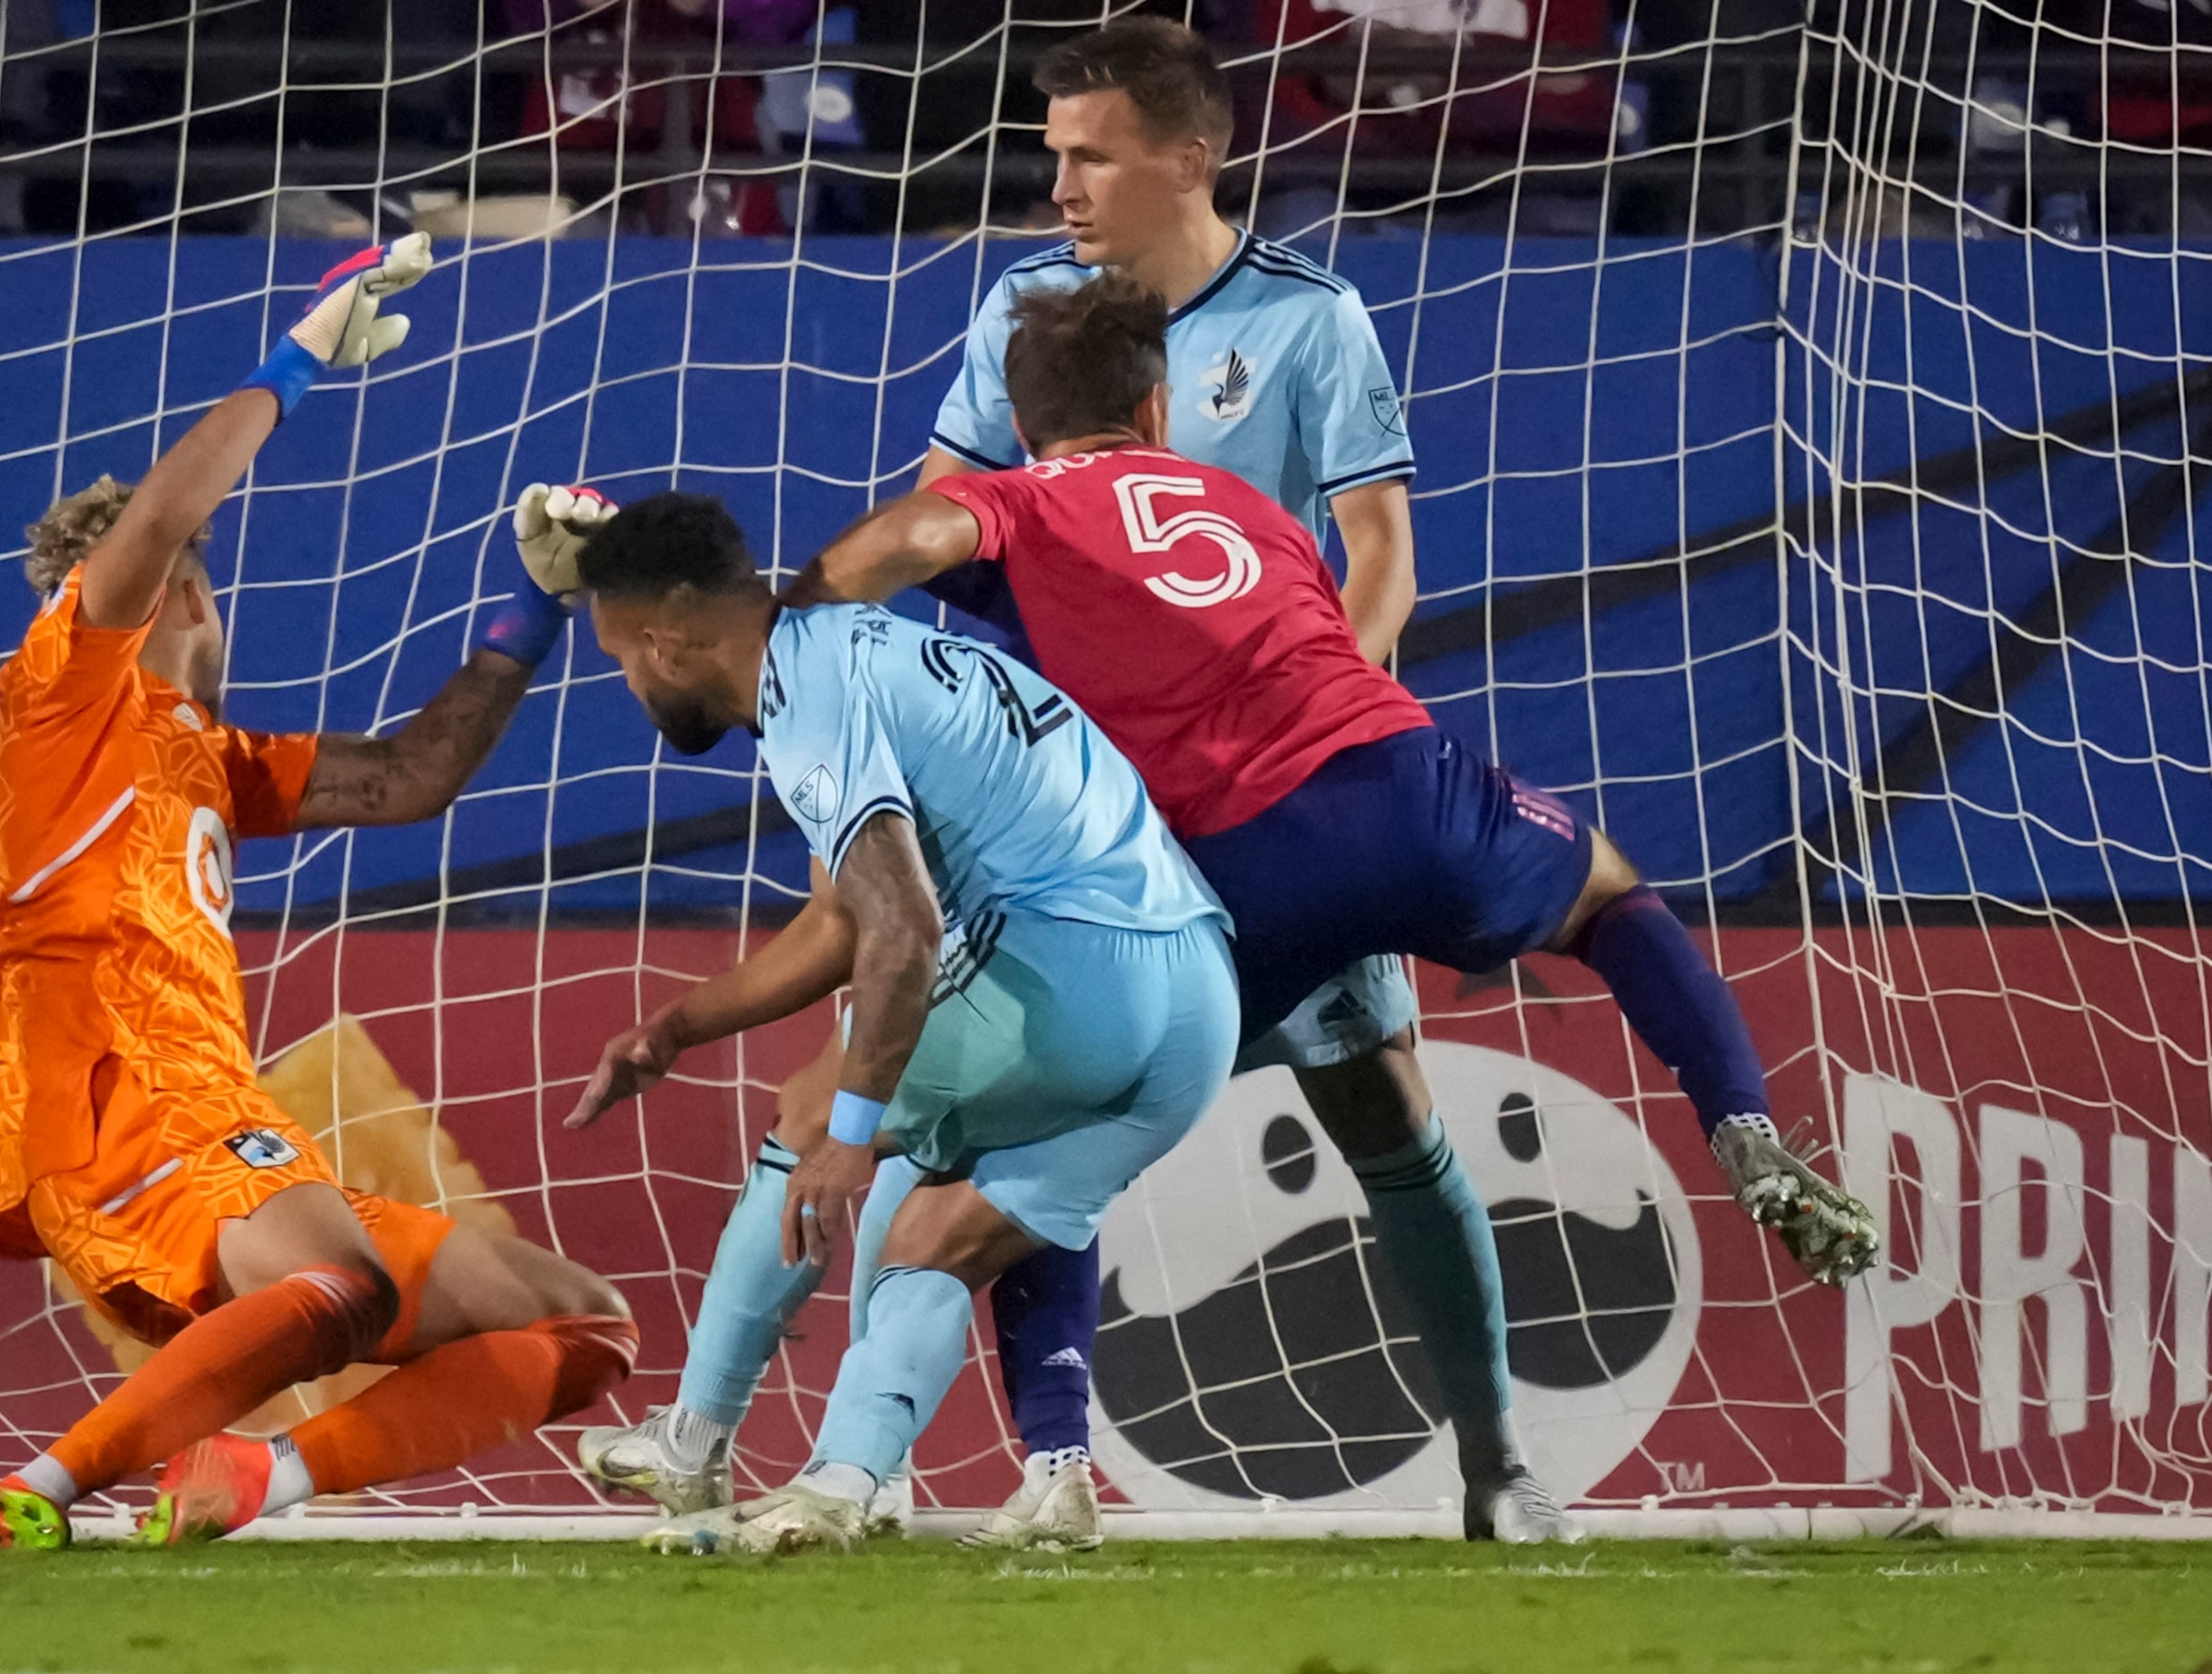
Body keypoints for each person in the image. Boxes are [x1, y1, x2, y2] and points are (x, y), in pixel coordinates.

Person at [576, 14, 1535, 1549]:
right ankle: (1035, 1462)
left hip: (1261, 803)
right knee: (995, 1145)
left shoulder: (1310, 319)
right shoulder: (1023, 308)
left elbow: (1379, 557)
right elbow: (950, 523)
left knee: (1359, 1109)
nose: (1059, 185)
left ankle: (1494, 1456)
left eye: (1086, 155)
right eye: (1051, 154)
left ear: (1188, 159)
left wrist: (1308, 743)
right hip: (1086, 805)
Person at [794, 275, 1884, 1518]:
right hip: (1407, 783)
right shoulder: (1246, 502)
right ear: (1156, 404)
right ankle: (1734, 1139)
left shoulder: (1005, 502)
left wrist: (803, 632)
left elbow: (902, 545)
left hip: (1236, 860)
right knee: (1594, 905)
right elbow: (1355, 586)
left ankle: (998, 1466)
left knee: (1026, 1145)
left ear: (1019, 415)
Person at [0, 237, 636, 1552]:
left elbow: (414, 776)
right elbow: (152, 524)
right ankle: (39, 1491)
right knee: (342, 1282)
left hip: (216, 1116)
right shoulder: (65, 696)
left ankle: (261, 1478)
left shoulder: (209, 761)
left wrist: (533, 610)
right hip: (113, 1094)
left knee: (575, 1321)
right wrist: (299, 358)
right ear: (187, 584)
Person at [561, 493, 1239, 1555]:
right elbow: (841, 920)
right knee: (935, 1233)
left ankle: (692, 1444)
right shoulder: (865, 643)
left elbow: (903, 931)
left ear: (670, 638)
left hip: (1070, 977)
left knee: (808, 1111)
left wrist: (850, 1122)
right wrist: (677, 1028)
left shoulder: (808, 701)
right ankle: (842, 1484)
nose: (630, 684)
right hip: (1196, 1008)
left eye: (620, 659)